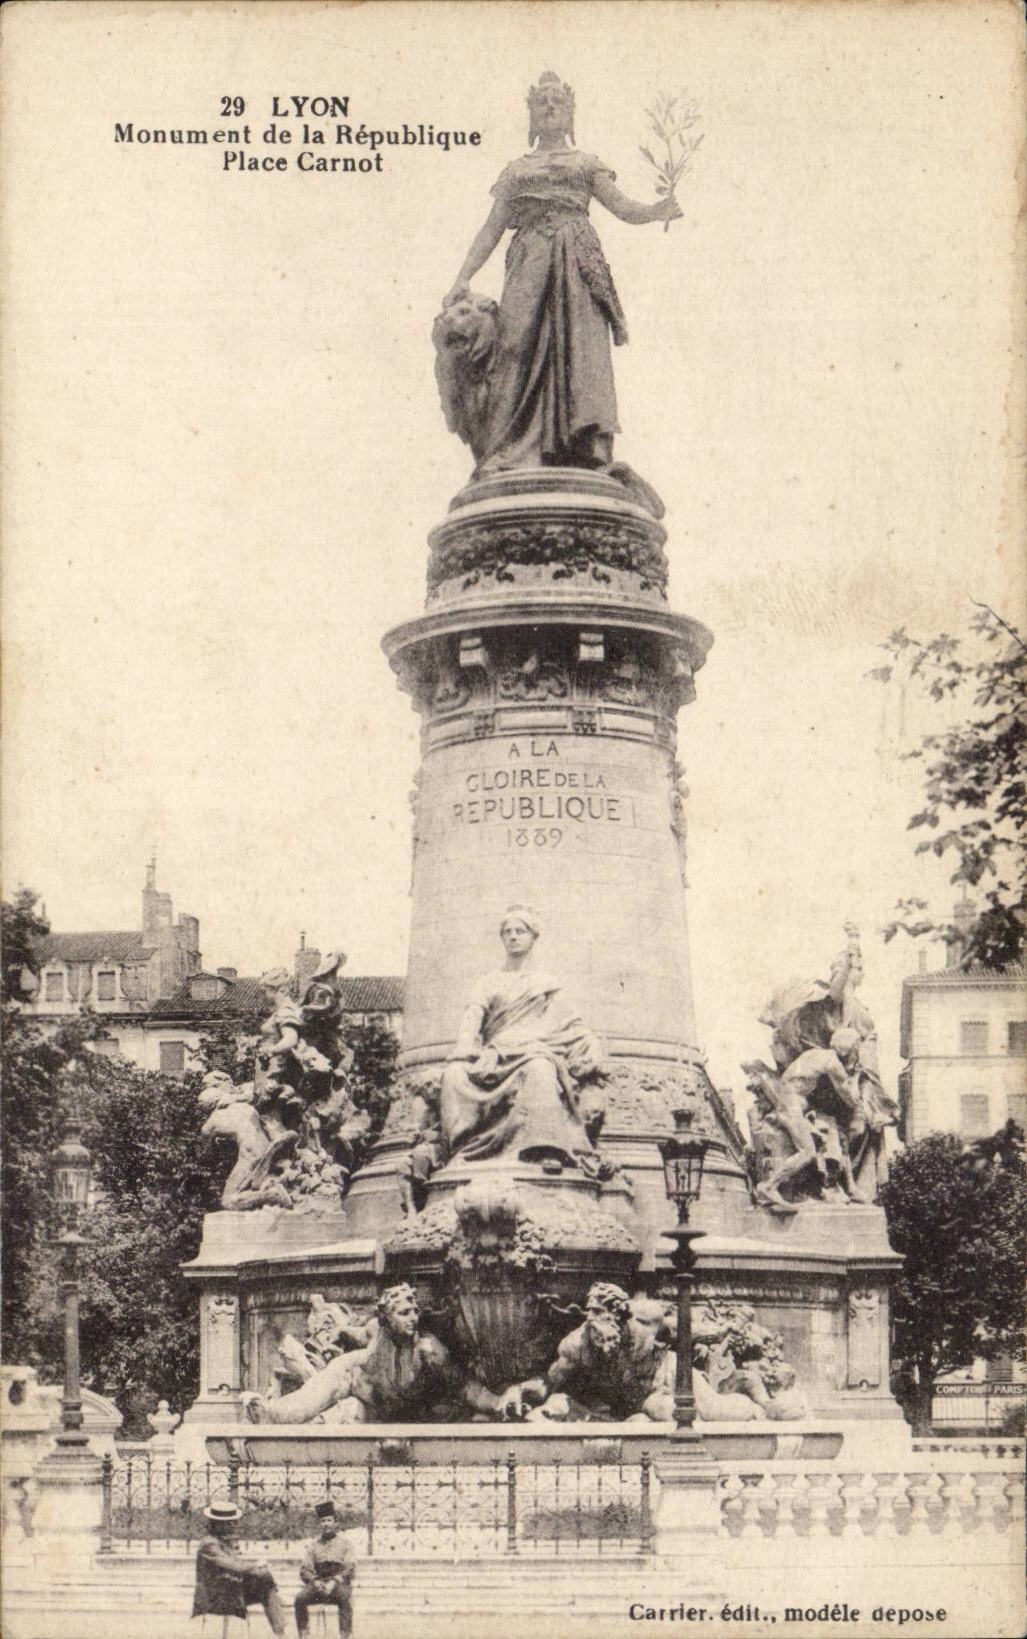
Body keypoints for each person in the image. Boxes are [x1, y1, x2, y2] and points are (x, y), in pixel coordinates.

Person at [443, 72, 680, 475]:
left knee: (580, 348)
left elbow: (622, 207)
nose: (550, 106)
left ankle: (584, 447)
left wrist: (657, 210)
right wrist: (462, 276)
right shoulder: (516, 171)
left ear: (570, 113)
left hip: (576, 259)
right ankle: (505, 448)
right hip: (530, 256)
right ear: (532, 116)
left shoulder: (587, 164)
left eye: (558, 101)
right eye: (542, 102)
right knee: (513, 346)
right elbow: (491, 229)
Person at [438, 905, 605, 1169]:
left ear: (533, 937)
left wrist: (591, 1045)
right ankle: (463, 1150)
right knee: (454, 1075)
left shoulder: (546, 983)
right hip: (494, 1055)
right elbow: (473, 1016)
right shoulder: (488, 981)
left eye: (520, 931)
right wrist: (465, 1046)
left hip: (532, 1051)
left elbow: (571, 1024)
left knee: (540, 1068)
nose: (513, 937)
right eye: (507, 932)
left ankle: (546, 1147)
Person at [192, 1500, 287, 1636]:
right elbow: (233, 1566)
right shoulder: (209, 1544)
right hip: (213, 1596)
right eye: (229, 1523)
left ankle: (280, 1631)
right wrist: (256, 1566)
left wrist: (256, 1570)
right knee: (265, 1581)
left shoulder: (223, 1541)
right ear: (218, 1524)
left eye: (233, 1522)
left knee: (265, 1582)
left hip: (228, 1590)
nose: (233, 1526)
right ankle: (280, 1631)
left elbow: (236, 1567)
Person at [295, 1500, 355, 1638]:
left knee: (345, 1598)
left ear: (335, 1523)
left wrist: (334, 1581)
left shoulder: (345, 1544)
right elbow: (304, 1569)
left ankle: (345, 1635)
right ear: (320, 1524)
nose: (326, 1524)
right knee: (300, 1598)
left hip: (338, 1584)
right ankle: (304, 1634)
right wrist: (315, 1581)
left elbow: (350, 1567)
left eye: (329, 1520)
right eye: (323, 1521)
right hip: (319, 1583)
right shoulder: (313, 1546)